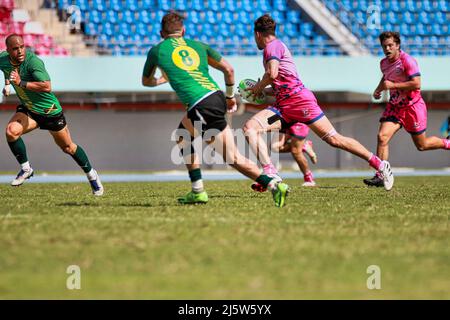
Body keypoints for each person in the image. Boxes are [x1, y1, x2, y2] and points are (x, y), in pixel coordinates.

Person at [141, 12, 289, 207]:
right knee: (183, 136)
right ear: (183, 31)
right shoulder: (199, 46)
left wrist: (162, 79)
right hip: (215, 97)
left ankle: (273, 184)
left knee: (233, 157)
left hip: (200, 104)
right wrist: (229, 98)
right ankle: (197, 191)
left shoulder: (156, 52)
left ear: (161, 33)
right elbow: (229, 70)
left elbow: (146, 82)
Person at [243, 14, 394, 191]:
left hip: (299, 102)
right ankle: (270, 173)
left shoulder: (272, 47)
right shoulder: (277, 46)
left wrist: (257, 88)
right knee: (250, 128)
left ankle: (381, 165)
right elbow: (278, 82)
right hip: (285, 106)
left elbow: (272, 74)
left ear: (257, 34)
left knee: (335, 139)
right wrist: (263, 91)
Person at [1, 34, 103, 196]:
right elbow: (7, 69)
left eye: (22, 47)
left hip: (49, 111)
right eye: (15, 48)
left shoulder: (33, 62)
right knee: (11, 131)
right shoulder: (4, 59)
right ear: (8, 50)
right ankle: (26, 169)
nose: (20, 51)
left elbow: (47, 86)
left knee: (68, 147)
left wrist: (20, 83)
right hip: (29, 110)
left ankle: (92, 175)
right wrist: (7, 85)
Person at [364, 31, 450, 187]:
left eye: (390, 45)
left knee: (422, 145)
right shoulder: (383, 63)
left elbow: (417, 83)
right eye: (384, 46)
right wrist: (378, 89)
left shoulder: (408, 61)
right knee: (382, 137)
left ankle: (447, 143)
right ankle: (381, 175)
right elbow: (386, 77)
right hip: (395, 106)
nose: (387, 49)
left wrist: (393, 85)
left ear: (397, 45)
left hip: (413, 107)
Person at [251, 113, 318, 192]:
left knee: (296, 152)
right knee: (275, 147)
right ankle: (304, 146)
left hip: (297, 120)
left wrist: (262, 129)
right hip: (284, 118)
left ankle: (309, 179)